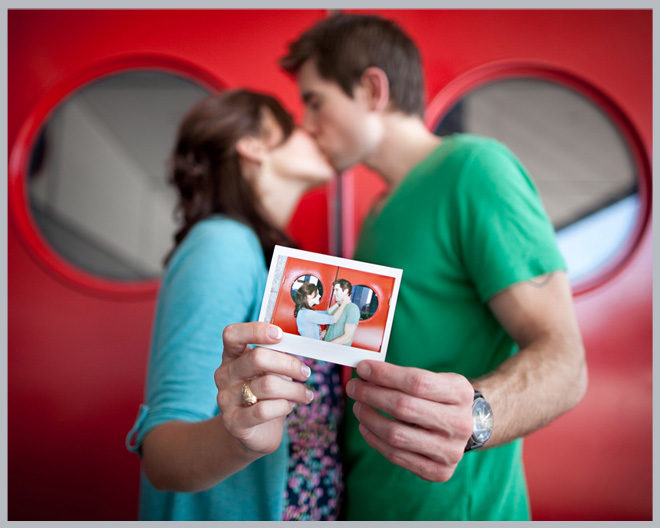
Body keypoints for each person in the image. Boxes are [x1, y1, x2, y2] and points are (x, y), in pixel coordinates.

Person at [220, 13, 588, 521]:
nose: (305, 122)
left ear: (373, 89)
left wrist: (477, 416)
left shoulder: (476, 169)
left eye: (315, 100)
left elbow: (566, 364)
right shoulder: (374, 218)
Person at [125, 89, 345, 521]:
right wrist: (239, 439)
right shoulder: (223, 244)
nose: (315, 130)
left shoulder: (259, 258)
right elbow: (162, 452)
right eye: (299, 126)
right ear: (254, 144)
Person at [323, 279, 360, 346]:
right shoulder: (337, 308)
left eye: (337, 290)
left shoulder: (353, 309)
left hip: (337, 352)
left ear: (346, 291)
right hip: (327, 349)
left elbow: (347, 337)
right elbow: (328, 330)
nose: (334, 293)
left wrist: (326, 345)